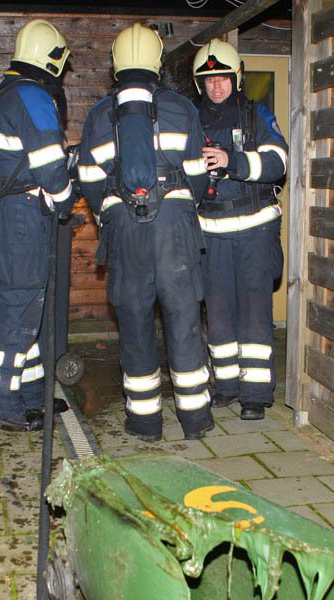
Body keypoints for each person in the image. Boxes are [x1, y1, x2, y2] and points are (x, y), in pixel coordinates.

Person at [78, 23, 214, 442]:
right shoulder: (181, 108)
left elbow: (89, 179)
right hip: (173, 228)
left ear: (115, 63)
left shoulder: (99, 114)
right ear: (157, 61)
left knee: (134, 321)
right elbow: (197, 175)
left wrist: (110, 213)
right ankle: (195, 419)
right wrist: (180, 207)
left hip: (124, 228)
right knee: (183, 319)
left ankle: (144, 421)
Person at [0, 19, 75, 431]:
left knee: (21, 310)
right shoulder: (32, 95)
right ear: (52, 59)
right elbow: (51, 167)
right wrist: (67, 198)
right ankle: (0, 407)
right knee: (19, 313)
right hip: (21, 216)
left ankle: (32, 396)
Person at [192, 38, 288, 420]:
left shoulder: (255, 114)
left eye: (223, 78)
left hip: (254, 230)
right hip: (210, 232)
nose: (216, 86)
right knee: (217, 312)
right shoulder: (191, 120)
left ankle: (256, 395)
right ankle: (227, 386)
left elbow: (278, 162)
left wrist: (232, 161)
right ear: (200, 83)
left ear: (237, 78)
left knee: (253, 312)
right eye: (209, 79)